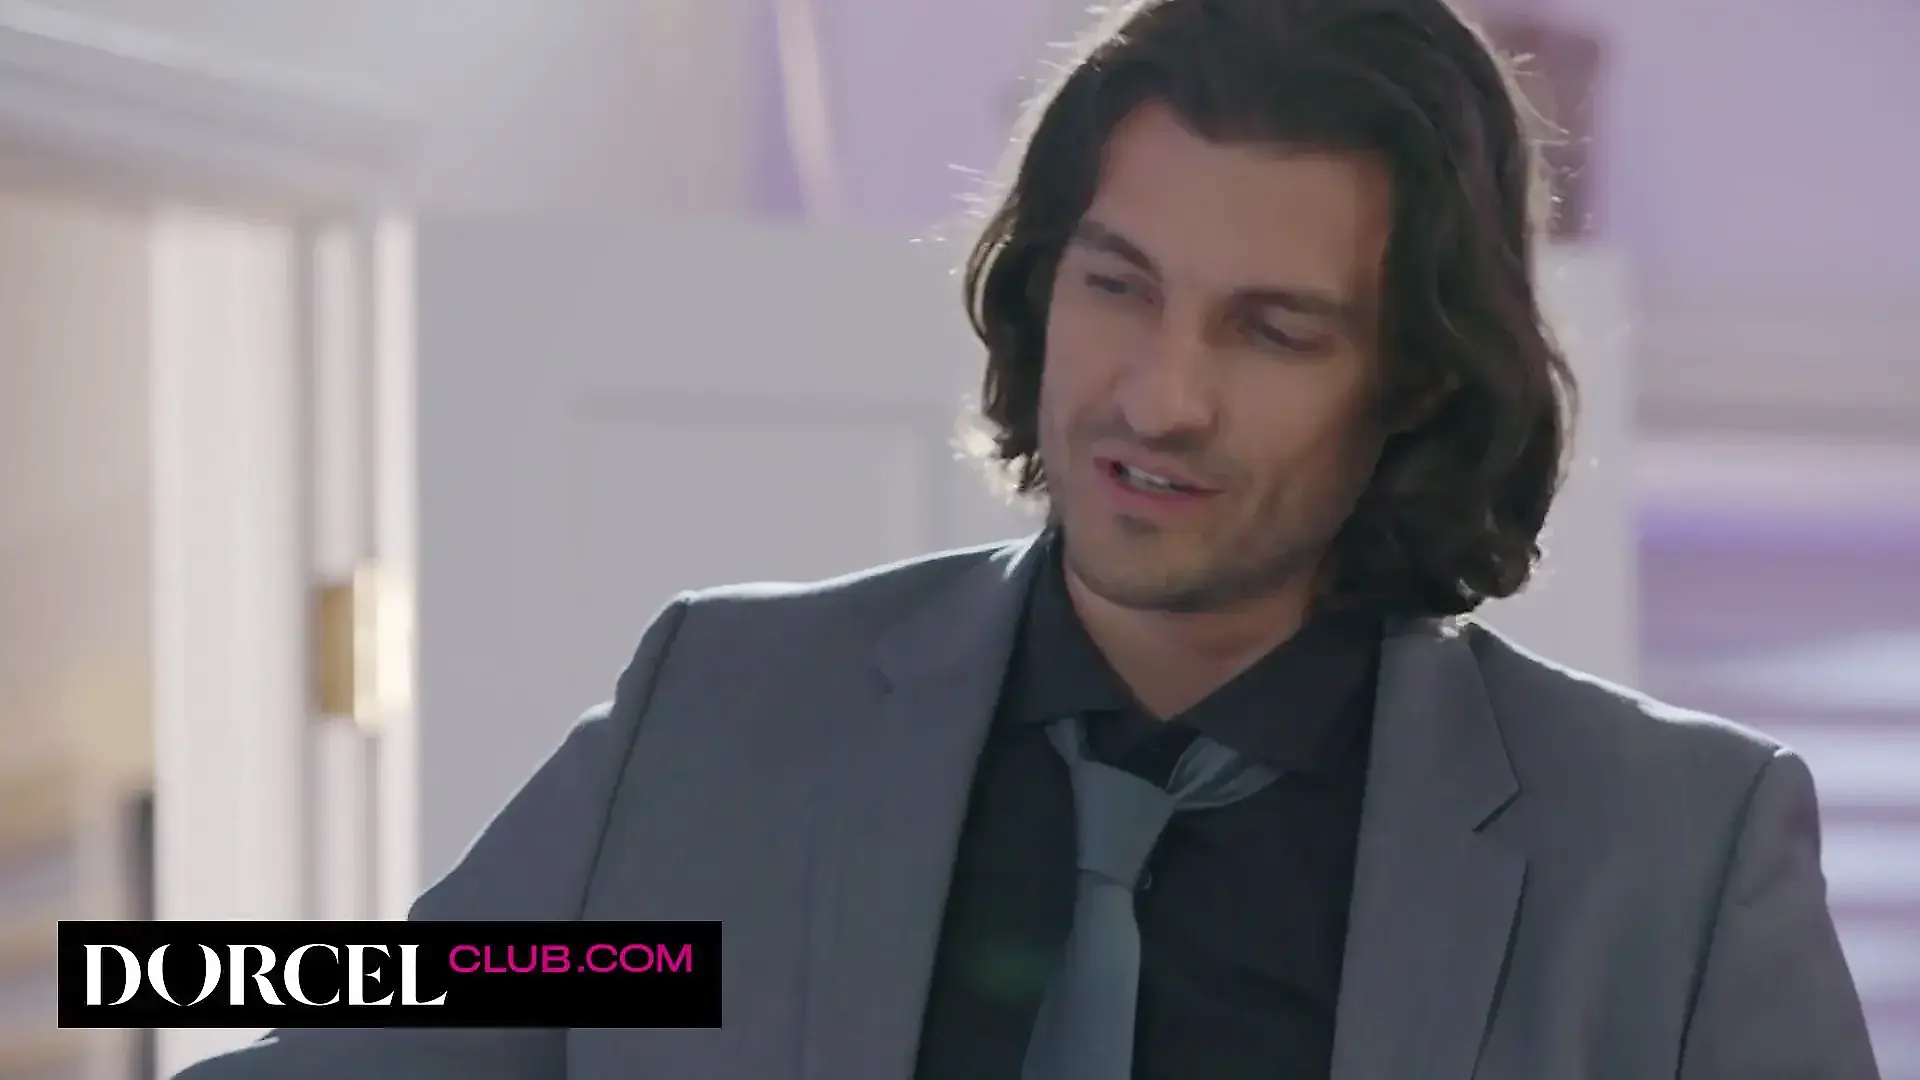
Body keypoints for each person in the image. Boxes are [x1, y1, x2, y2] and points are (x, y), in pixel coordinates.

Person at [177, 0, 1882, 1077]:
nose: (1160, 397)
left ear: (1415, 384)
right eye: (1117, 286)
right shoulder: (724, 719)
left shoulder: (1667, 862)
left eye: (1272, 331)